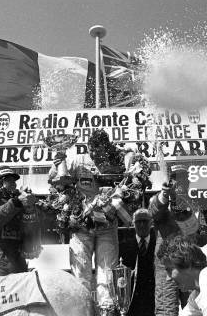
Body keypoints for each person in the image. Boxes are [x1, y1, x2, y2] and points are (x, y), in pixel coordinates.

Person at [48, 130, 129, 309]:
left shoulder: (118, 163)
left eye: (98, 150)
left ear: (106, 148)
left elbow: (130, 183)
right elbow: (57, 180)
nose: (93, 154)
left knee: (107, 273)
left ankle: (106, 309)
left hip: (107, 225)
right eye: (91, 150)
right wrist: (56, 165)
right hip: (81, 226)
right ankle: (81, 310)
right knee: (81, 273)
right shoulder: (79, 161)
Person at [148, 168, 200, 316]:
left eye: (185, 179)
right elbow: (153, 212)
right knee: (166, 306)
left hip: (190, 260)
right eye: (177, 178)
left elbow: (197, 228)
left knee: (194, 306)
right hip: (167, 262)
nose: (182, 182)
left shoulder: (192, 203)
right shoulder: (159, 200)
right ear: (171, 181)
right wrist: (166, 195)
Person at [0, 166, 36, 278]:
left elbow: (32, 230)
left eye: (14, 180)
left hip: (19, 267)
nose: (13, 183)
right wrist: (16, 202)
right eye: (8, 180)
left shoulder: (18, 205)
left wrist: (31, 209)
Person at [118, 208, 157, 316]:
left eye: (145, 221)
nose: (142, 225)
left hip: (153, 300)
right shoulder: (124, 246)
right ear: (133, 224)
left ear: (151, 222)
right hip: (132, 302)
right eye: (138, 222)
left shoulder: (158, 245)